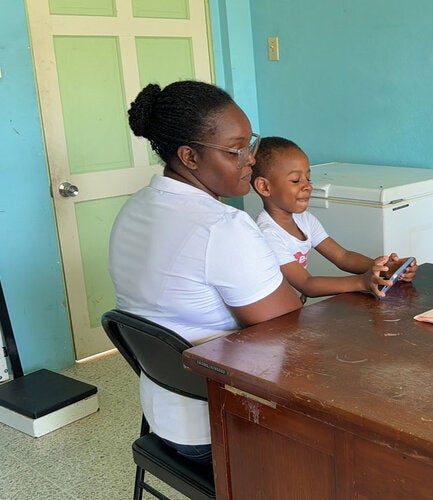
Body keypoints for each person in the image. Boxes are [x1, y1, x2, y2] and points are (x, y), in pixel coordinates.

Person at [110, 81, 302, 464]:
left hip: (164, 416)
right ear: (190, 157)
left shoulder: (135, 207)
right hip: (219, 428)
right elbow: (292, 329)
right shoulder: (223, 226)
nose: (251, 159)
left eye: (252, 144)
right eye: (236, 151)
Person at [250, 136, 418, 299]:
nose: (307, 186)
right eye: (295, 180)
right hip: (274, 316)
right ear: (264, 187)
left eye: (308, 178)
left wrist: (383, 269)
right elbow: (306, 284)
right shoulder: (267, 234)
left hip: (292, 309)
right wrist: (361, 282)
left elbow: (342, 256)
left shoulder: (305, 220)